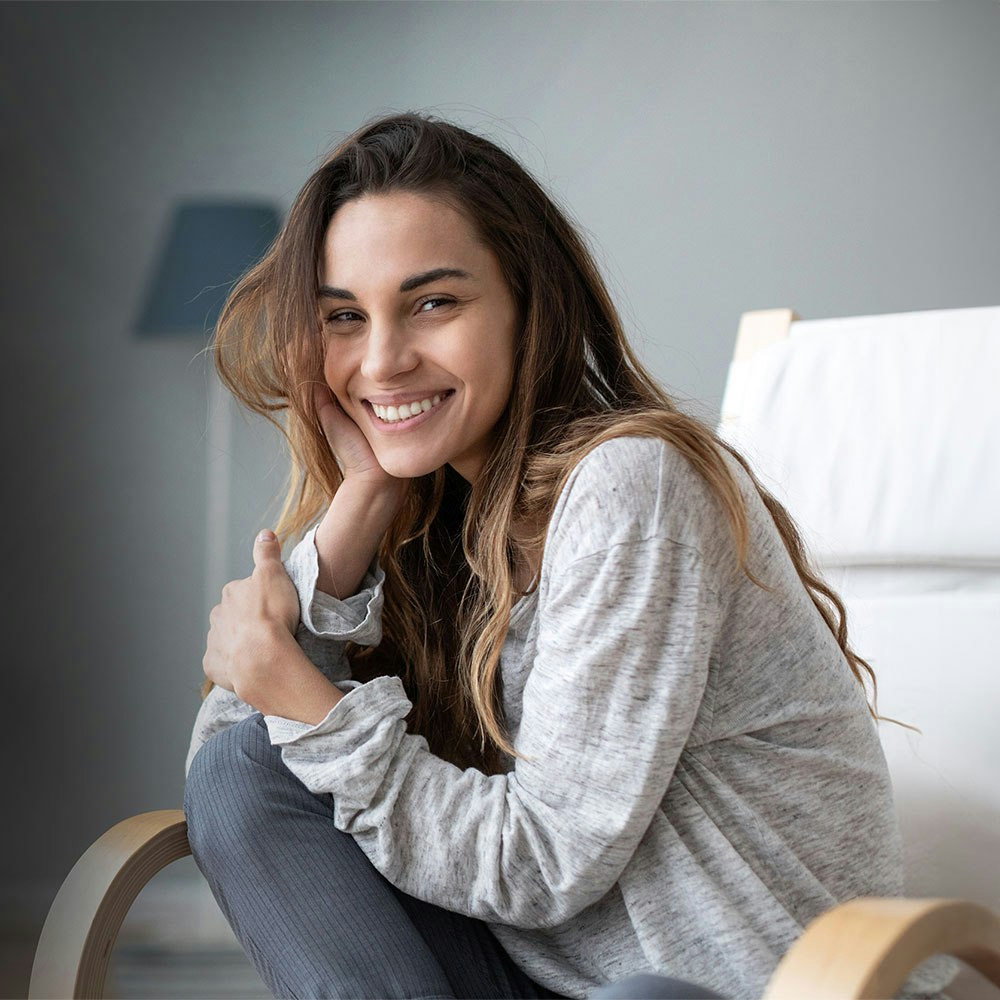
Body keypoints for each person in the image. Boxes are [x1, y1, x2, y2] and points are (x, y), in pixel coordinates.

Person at [182, 113, 952, 1000]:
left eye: (433, 302)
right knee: (243, 772)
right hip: (546, 977)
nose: (384, 359)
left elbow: (543, 864)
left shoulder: (632, 484)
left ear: (527, 302)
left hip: (742, 988)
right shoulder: (435, 517)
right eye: (346, 318)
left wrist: (309, 706)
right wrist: (357, 514)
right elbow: (245, 769)